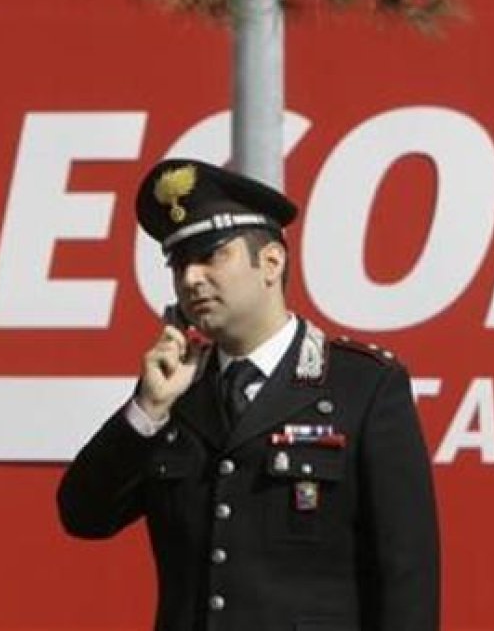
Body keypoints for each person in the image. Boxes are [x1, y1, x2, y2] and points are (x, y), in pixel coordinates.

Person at [57, 159, 439, 631]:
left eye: (212, 255)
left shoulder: (363, 386)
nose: (192, 278)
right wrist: (148, 409)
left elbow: (407, 574)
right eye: (179, 264)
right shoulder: (175, 391)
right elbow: (83, 515)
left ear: (271, 262)